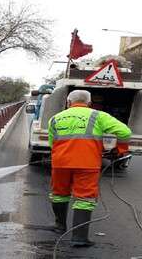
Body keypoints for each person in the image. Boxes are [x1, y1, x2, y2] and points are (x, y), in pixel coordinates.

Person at [48, 90, 131, 247]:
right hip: (87, 163)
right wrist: (117, 148)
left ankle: (60, 227)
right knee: (85, 198)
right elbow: (125, 132)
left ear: (68, 102)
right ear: (90, 103)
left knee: (59, 194)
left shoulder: (55, 118)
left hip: (60, 163)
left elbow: (53, 143)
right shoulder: (98, 116)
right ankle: (79, 238)